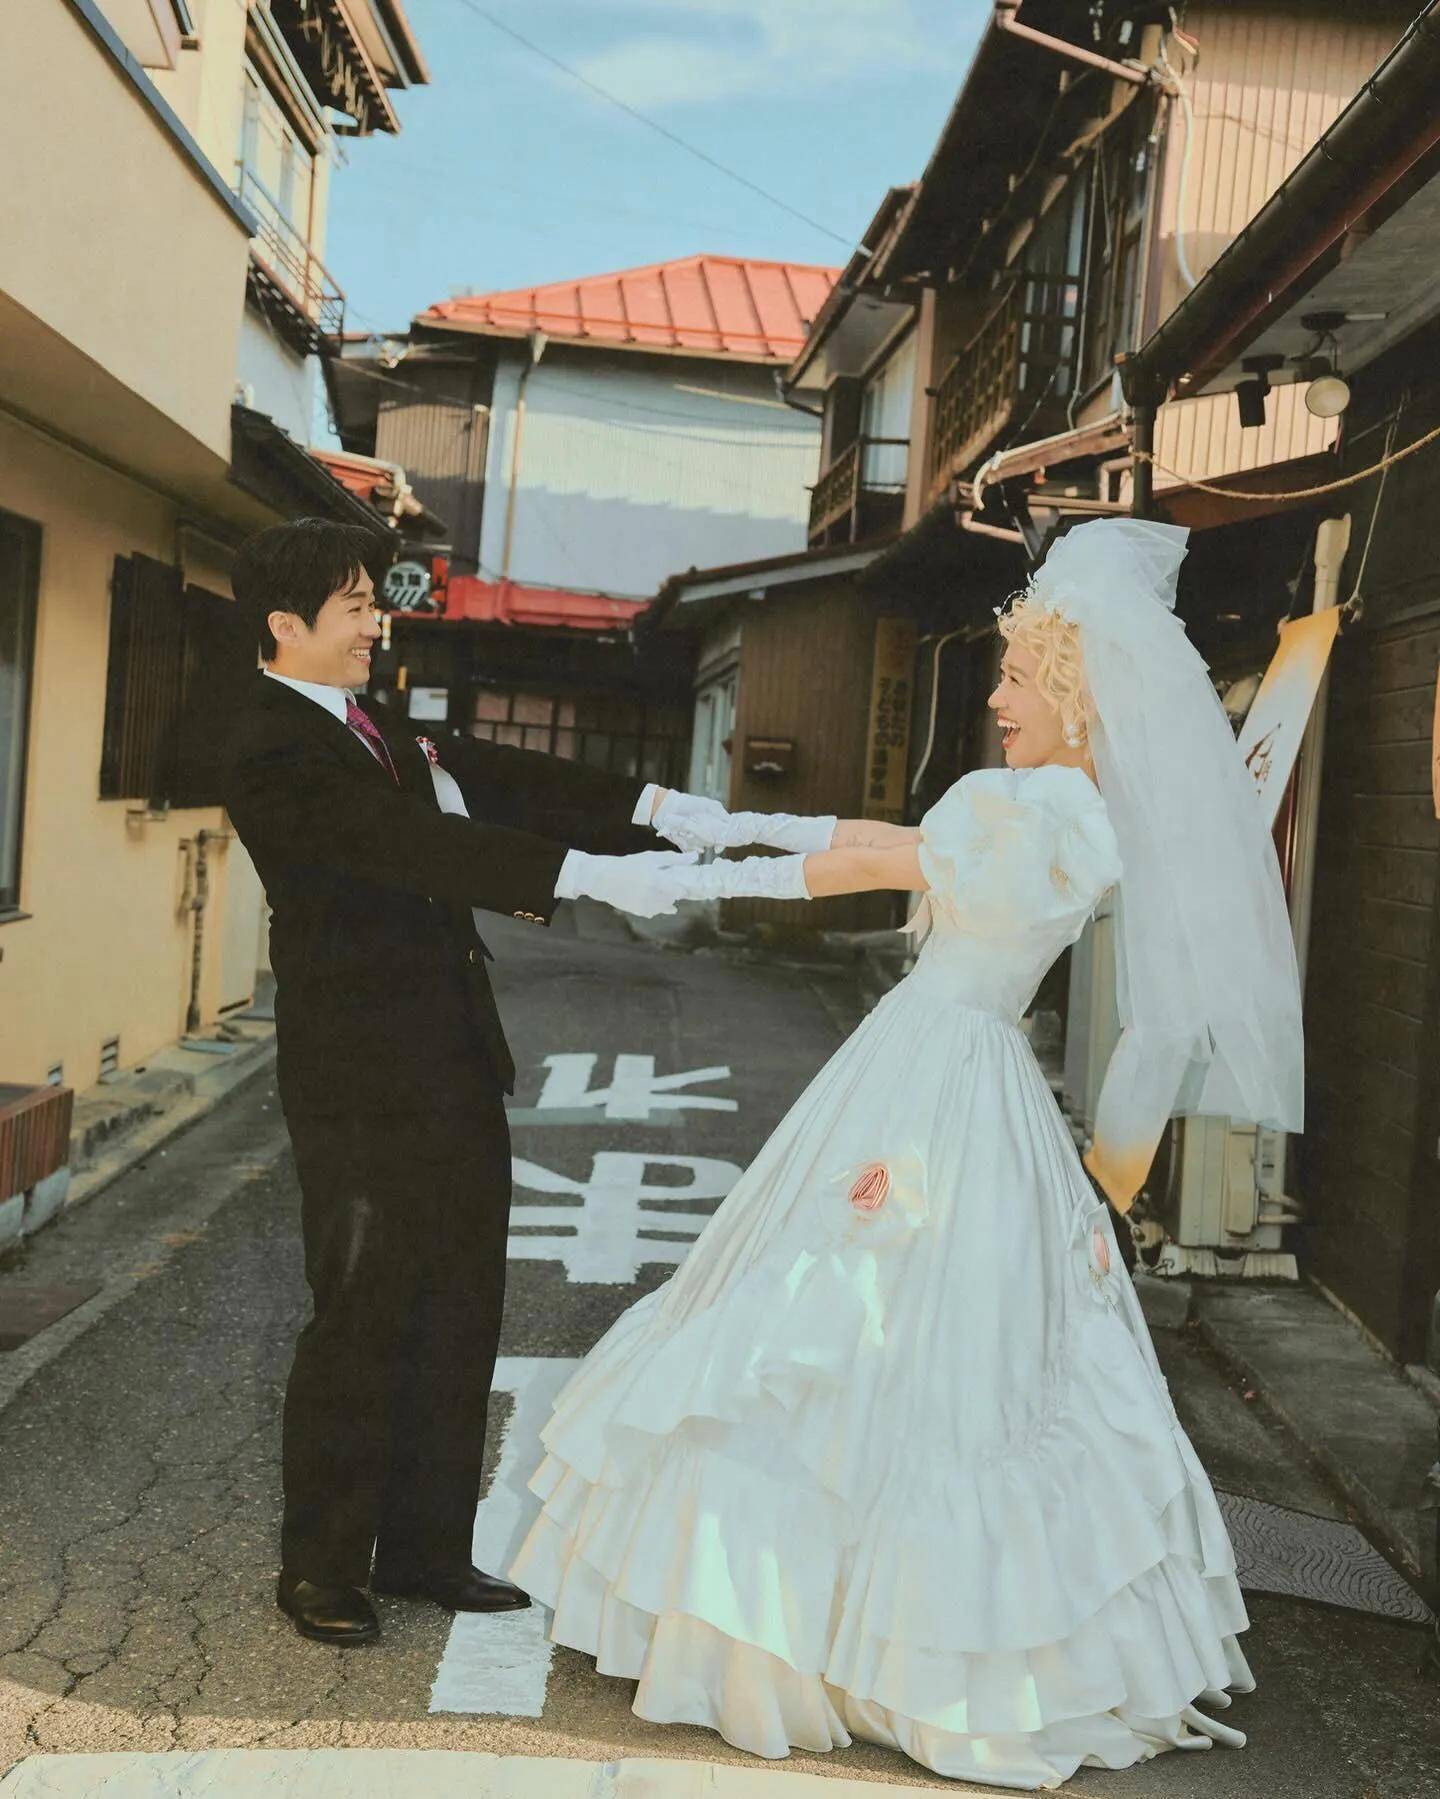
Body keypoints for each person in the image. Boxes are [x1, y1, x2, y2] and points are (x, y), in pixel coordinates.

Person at [508, 518, 1305, 1788]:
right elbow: (883, 840)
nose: (996, 697)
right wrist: (720, 827)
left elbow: (877, 863)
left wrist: (676, 871)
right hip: (958, 1067)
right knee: (919, 1333)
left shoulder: (1036, 813)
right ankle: (885, 1630)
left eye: (1018, 676)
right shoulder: (1067, 815)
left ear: (1078, 693)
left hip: (938, 1070)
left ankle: (814, 1631)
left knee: (841, 1318)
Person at [222, 517, 701, 1646]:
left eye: (373, 605)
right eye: (354, 608)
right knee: (360, 1307)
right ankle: (322, 1566)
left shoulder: (371, 722)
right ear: (286, 623)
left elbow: (496, 774)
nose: (374, 626)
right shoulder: (267, 743)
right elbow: (412, 847)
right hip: (356, 1073)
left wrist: (655, 812)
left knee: (458, 1299)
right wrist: (583, 877)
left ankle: (427, 1545)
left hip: (450, 1052)